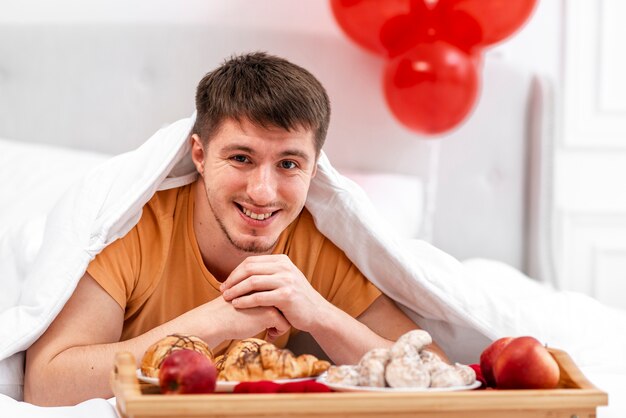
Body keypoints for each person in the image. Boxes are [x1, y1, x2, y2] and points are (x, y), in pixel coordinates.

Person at [24, 52, 446, 406]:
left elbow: (438, 372)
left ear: (313, 169)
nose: (263, 193)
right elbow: (45, 384)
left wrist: (320, 315)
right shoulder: (134, 229)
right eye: (241, 158)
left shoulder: (313, 243)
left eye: (288, 164)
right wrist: (215, 322)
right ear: (201, 155)